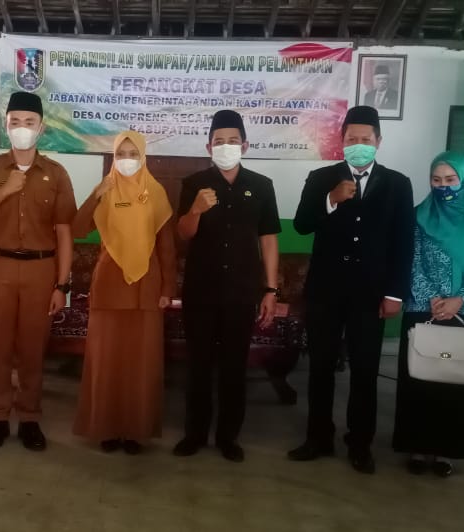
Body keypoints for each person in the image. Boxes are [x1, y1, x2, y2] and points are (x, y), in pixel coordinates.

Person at [289, 105, 415, 474]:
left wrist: (395, 293)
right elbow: (301, 225)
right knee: (320, 368)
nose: (358, 144)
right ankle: (318, 438)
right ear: (341, 141)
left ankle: (360, 444)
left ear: (378, 141)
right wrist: (330, 200)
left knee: (364, 370)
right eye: (351, 139)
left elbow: (404, 242)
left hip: (371, 295)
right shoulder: (321, 178)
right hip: (325, 292)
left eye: (365, 139)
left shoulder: (398, 184)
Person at [0, 91, 76, 451]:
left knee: (32, 349)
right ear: (5, 125)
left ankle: (29, 418)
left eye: (29, 122)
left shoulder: (56, 173)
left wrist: (62, 285)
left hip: (41, 270)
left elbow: (64, 233)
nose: (22, 128)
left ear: (42, 127)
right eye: (15, 122)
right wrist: (5, 191)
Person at [173, 110, 281, 463]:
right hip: (201, 290)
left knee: (234, 367)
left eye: (233, 141)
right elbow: (183, 234)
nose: (226, 147)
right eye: (219, 142)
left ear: (245, 146)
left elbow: (268, 239)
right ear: (209, 147)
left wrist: (270, 290)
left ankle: (228, 437)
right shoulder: (194, 184)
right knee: (199, 366)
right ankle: (194, 434)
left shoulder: (262, 185)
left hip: (242, 291)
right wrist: (196, 210)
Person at [393, 151, 464, 478]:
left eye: (450, 180)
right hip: (422, 308)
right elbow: (409, 260)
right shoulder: (419, 215)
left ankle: (446, 451)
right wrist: (432, 297)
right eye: (436, 180)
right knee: (419, 381)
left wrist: (459, 299)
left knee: (456, 382)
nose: (443, 186)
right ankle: (416, 446)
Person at [71, 131, 176, 455]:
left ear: (143, 157)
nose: (127, 160)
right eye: (121, 154)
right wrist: (96, 194)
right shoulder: (105, 190)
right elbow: (77, 229)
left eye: (133, 154)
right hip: (109, 285)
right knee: (107, 361)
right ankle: (106, 428)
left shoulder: (156, 192)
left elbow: (167, 247)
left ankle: (135, 431)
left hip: (147, 287)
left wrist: (168, 288)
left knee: (141, 363)